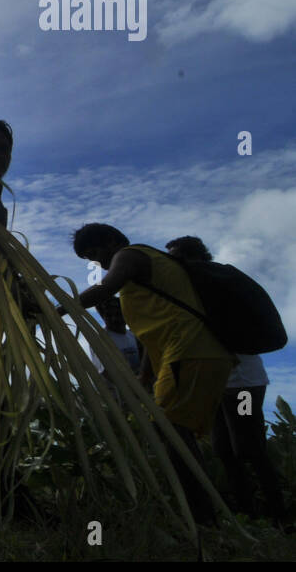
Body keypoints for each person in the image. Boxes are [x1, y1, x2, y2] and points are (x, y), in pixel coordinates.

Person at [66, 223, 234, 524]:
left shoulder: (129, 255)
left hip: (191, 350)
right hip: (190, 353)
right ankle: (204, 511)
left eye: (95, 253)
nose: (99, 263)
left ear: (111, 240)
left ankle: (202, 517)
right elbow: (150, 334)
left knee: (171, 433)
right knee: (176, 433)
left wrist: (56, 308)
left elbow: (103, 289)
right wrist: (144, 376)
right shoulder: (146, 275)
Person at [166, 236, 286, 520]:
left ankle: (278, 513)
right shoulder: (204, 285)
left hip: (242, 380)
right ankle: (248, 510)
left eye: (178, 258)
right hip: (218, 379)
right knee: (223, 449)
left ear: (194, 257)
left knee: (249, 446)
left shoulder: (215, 279)